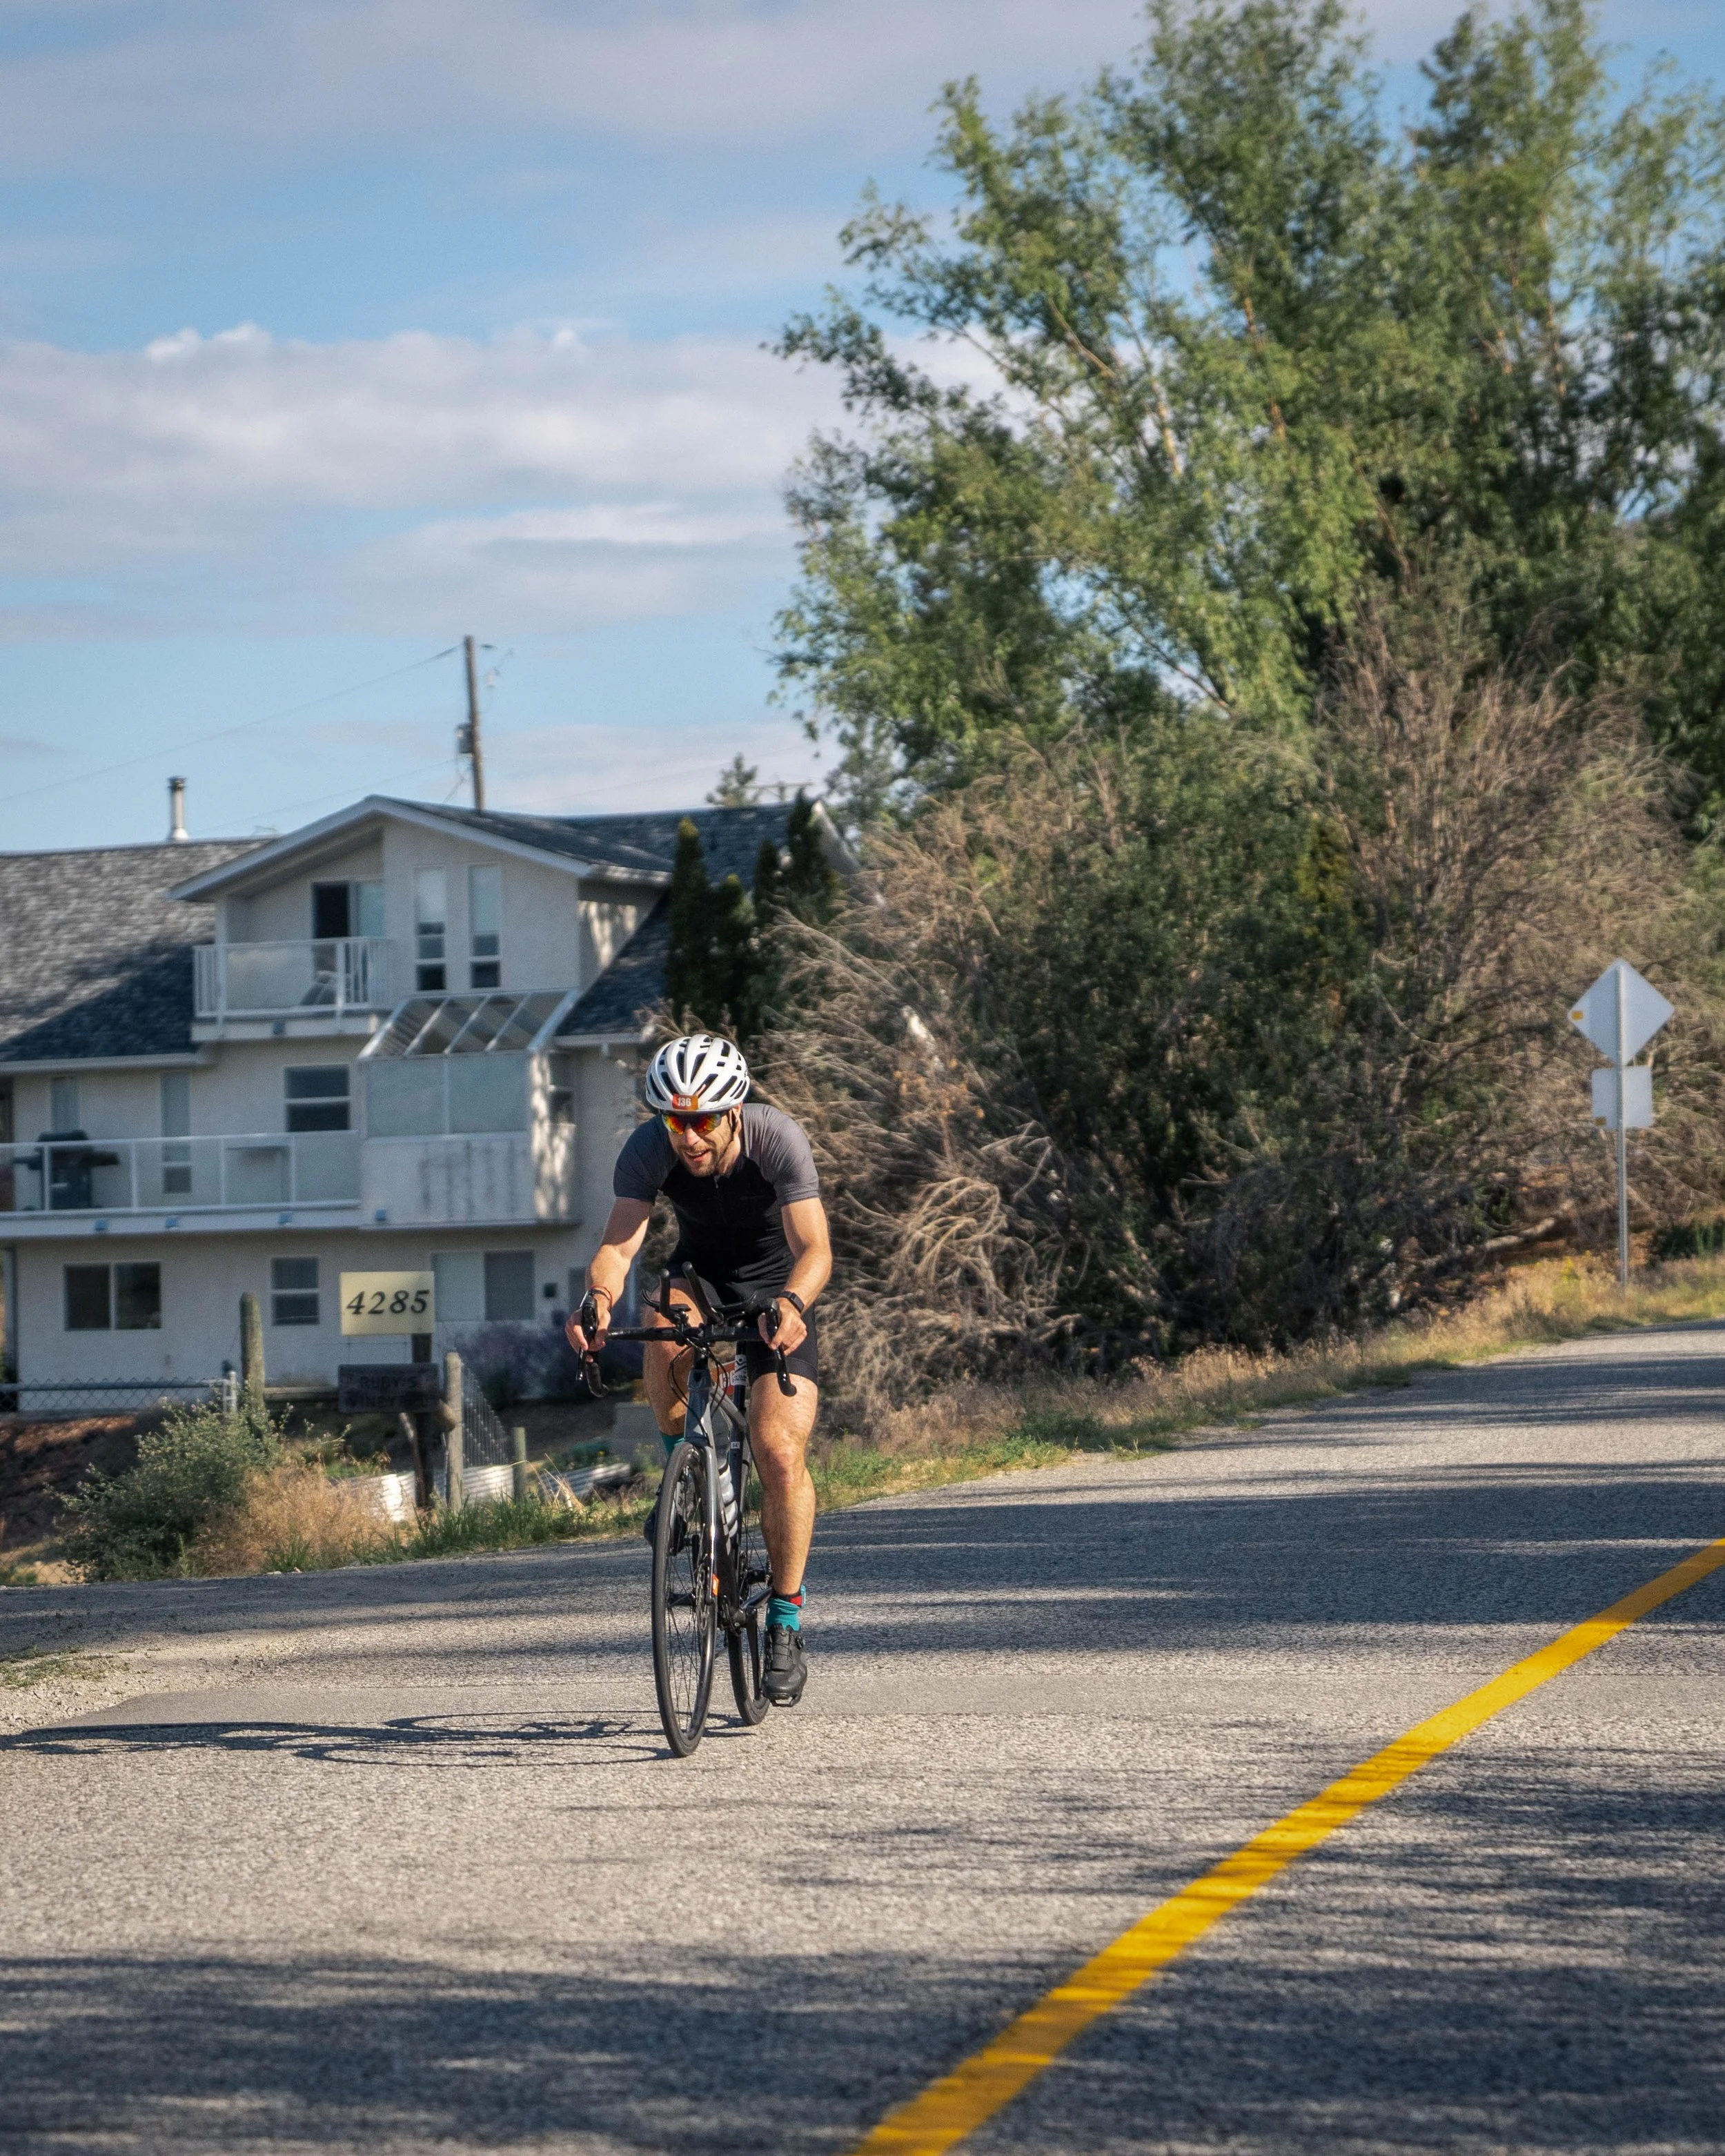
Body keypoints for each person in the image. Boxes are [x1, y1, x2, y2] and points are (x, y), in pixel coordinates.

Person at [566, 1033, 831, 1706]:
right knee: (659, 1322)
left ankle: (785, 1619)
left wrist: (794, 1302)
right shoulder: (649, 1149)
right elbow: (617, 1247)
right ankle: (682, 1479)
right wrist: (596, 1300)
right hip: (703, 1281)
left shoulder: (776, 1139)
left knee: (776, 1449)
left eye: (702, 1119)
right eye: (675, 1120)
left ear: (733, 1109)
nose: (688, 1136)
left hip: (779, 1291)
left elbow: (816, 1247)